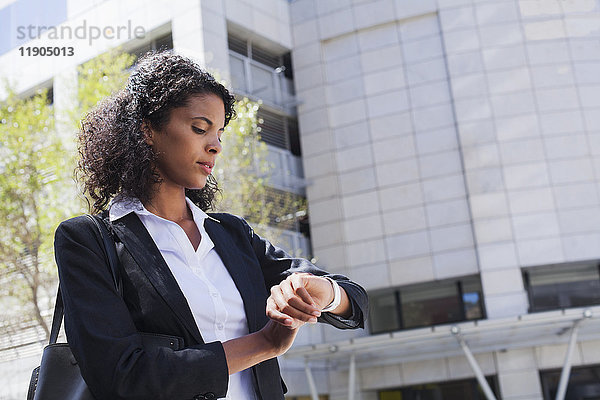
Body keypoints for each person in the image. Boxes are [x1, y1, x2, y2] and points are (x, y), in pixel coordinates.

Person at [54, 51, 368, 400]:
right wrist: (263, 343)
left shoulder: (230, 234)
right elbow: (123, 376)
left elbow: (354, 302)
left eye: (219, 132)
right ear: (148, 130)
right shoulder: (88, 240)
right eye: (200, 128)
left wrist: (321, 293)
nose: (215, 146)